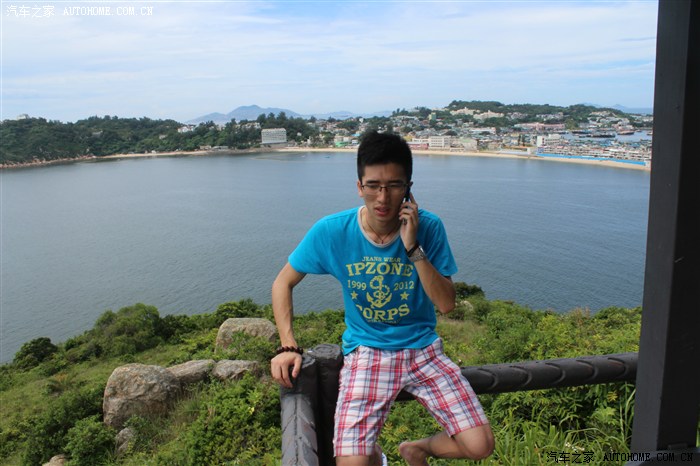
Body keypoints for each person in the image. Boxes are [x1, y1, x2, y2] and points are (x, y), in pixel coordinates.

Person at [270, 131, 494, 466]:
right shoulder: (333, 231)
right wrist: (288, 345)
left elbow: (447, 304)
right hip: (367, 350)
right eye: (373, 185)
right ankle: (375, 455)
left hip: (423, 349)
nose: (383, 197)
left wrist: (413, 247)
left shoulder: (429, 227)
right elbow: (282, 282)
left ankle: (416, 449)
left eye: (394, 185)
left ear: (409, 188)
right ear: (359, 186)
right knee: (352, 463)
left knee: (480, 445)